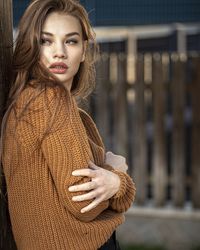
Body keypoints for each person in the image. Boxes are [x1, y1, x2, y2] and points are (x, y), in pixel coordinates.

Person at [0, 0, 136, 249]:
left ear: (84, 51)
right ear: (31, 45)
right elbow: (83, 203)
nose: (59, 52)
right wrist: (118, 177)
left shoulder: (29, 100)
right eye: (46, 41)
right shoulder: (50, 100)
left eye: (71, 41)